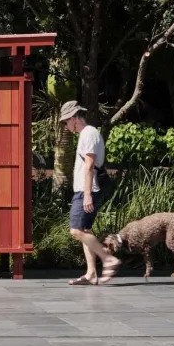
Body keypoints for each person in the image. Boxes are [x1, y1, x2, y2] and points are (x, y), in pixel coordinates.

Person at [60, 101, 121, 285]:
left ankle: (108, 258)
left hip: (88, 190)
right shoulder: (86, 134)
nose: (66, 126)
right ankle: (91, 274)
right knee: (84, 231)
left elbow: (89, 166)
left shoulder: (89, 133)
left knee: (76, 231)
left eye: (65, 122)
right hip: (84, 189)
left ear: (74, 119)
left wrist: (87, 194)